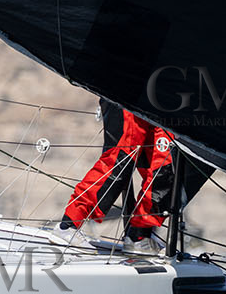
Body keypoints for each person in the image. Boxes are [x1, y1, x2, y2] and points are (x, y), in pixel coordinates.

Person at [61, 99, 211, 242]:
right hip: (130, 90)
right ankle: (68, 225)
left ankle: (138, 237)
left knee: (167, 170)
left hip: (165, 97)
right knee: (120, 160)